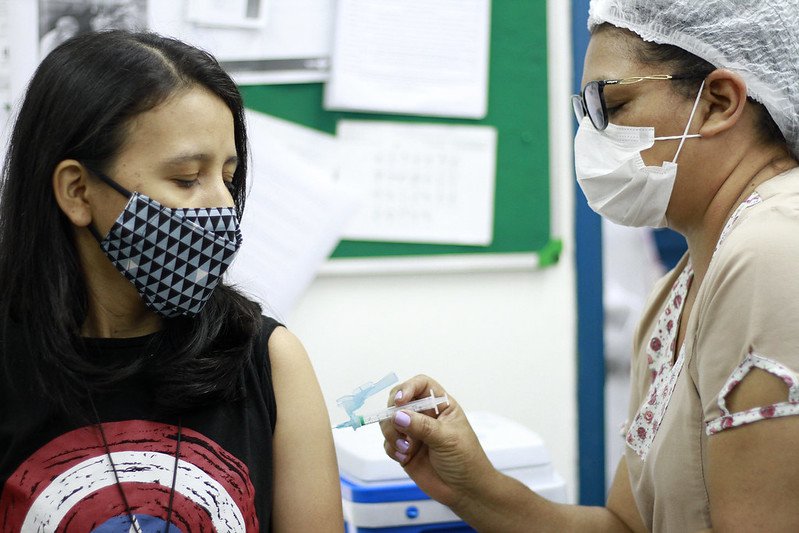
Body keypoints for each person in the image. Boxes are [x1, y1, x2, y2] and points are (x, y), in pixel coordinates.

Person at [381, 1, 799, 531]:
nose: (591, 137)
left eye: (612, 103)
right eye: (585, 112)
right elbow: (625, 526)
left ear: (718, 102)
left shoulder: (773, 247)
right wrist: (469, 485)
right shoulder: (679, 291)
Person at [0, 30, 343, 532]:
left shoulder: (267, 360)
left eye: (228, 176)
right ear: (77, 191)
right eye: (186, 178)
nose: (223, 204)